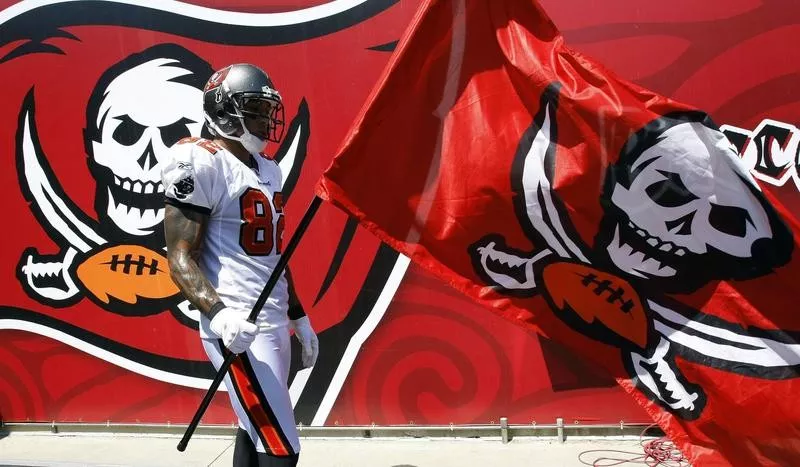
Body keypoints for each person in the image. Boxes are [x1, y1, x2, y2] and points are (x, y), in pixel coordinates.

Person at [162, 63, 318, 467]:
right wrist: (220, 316)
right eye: (255, 109)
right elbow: (179, 258)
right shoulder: (200, 159)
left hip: (273, 320)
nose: (265, 120)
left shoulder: (269, 169)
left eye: (268, 111)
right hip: (238, 327)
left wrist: (298, 316)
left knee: (256, 429)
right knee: (283, 448)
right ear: (224, 111)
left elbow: (272, 255)